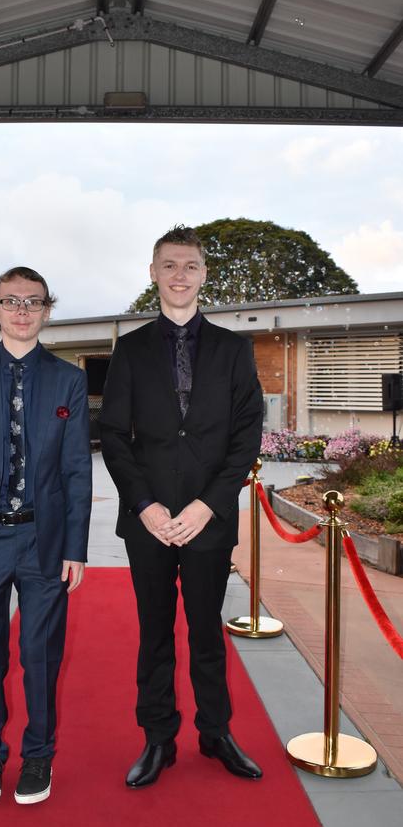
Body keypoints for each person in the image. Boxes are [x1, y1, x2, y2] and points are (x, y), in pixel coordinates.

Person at [99, 225, 264, 787]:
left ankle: (215, 733)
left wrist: (207, 507)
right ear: (153, 274)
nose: (178, 275)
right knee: (154, 633)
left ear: (203, 275)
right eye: (168, 265)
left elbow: (246, 437)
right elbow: (114, 434)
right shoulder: (131, 348)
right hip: (147, 521)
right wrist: (144, 504)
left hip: (208, 522)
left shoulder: (234, 349)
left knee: (206, 631)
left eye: (189, 265)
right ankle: (158, 739)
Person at [0, 266, 92, 806]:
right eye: (11, 301)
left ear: (47, 309)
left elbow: (77, 470)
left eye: (33, 301)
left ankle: (38, 757)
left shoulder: (69, 378)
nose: (22, 310)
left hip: (45, 541)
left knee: (41, 655)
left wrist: (76, 548)